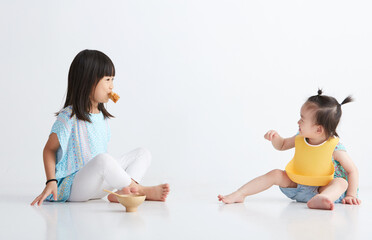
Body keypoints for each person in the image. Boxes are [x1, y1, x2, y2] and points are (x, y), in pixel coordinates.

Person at [31, 49, 170, 206]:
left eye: (112, 80)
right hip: (76, 187)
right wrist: (51, 181)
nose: (111, 86)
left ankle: (121, 194)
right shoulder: (69, 116)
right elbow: (49, 149)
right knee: (104, 160)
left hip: (100, 184)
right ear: (87, 81)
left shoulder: (102, 117)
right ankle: (137, 189)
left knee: (142, 153)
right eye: (107, 80)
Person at [218, 90, 361, 210]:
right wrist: (275, 138)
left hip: (321, 189)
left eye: (302, 119)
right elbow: (282, 145)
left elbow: (352, 170)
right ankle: (240, 193)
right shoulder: (301, 137)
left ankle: (323, 199)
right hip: (298, 186)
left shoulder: (335, 148)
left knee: (341, 182)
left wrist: (351, 195)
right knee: (275, 174)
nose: (298, 122)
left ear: (318, 129)